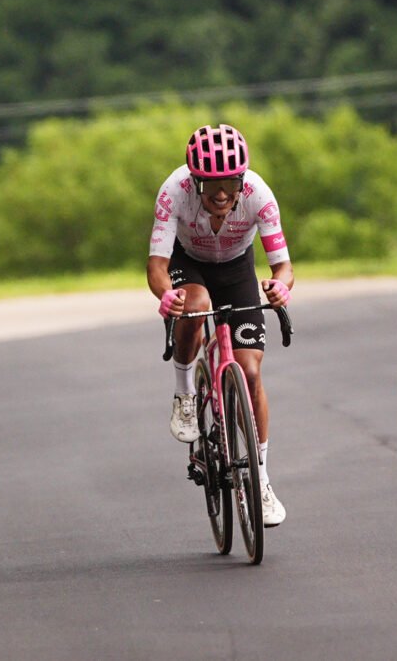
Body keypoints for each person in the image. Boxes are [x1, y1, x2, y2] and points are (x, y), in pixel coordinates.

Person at [147, 124, 294, 527]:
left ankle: (261, 481)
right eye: (210, 185)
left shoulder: (259, 195)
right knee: (195, 304)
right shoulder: (172, 192)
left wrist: (280, 287)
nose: (221, 194)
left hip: (236, 268)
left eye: (229, 182)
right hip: (188, 261)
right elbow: (157, 265)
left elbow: (282, 264)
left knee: (249, 371)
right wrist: (166, 295)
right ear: (194, 180)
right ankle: (185, 395)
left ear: (241, 178)